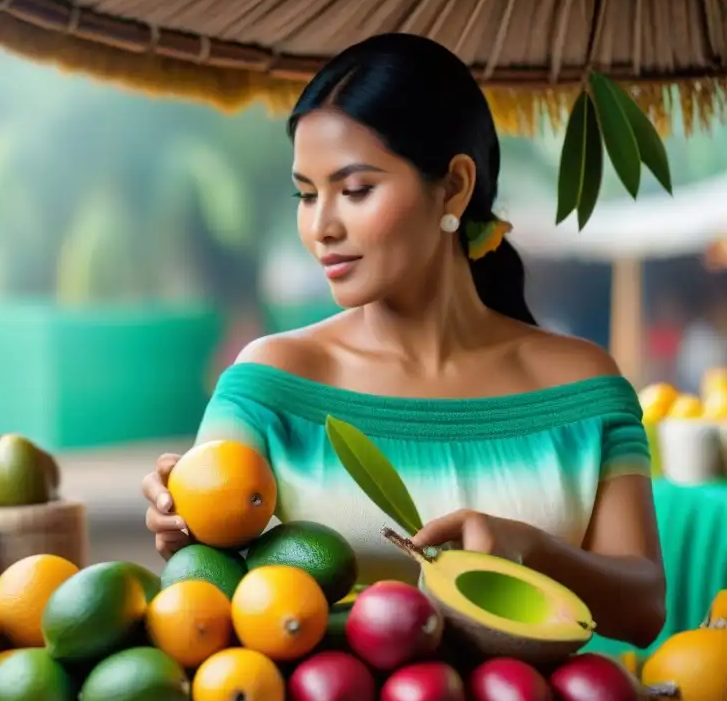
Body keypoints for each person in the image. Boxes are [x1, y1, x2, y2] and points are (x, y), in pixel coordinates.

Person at [142, 34, 666, 649]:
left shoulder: (583, 387)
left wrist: (531, 548)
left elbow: (643, 609)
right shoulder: (268, 383)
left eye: (356, 189)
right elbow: (208, 594)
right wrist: (182, 523)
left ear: (453, 187)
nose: (321, 227)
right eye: (306, 195)